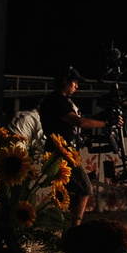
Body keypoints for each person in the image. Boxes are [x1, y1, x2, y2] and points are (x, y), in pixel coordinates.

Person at [40, 70, 106, 222]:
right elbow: (79, 122)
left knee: (71, 192)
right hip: (60, 151)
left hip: (62, 150)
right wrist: (105, 123)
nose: (76, 86)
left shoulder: (60, 100)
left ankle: (68, 227)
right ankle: (75, 225)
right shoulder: (56, 101)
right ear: (65, 80)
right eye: (74, 82)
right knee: (85, 188)